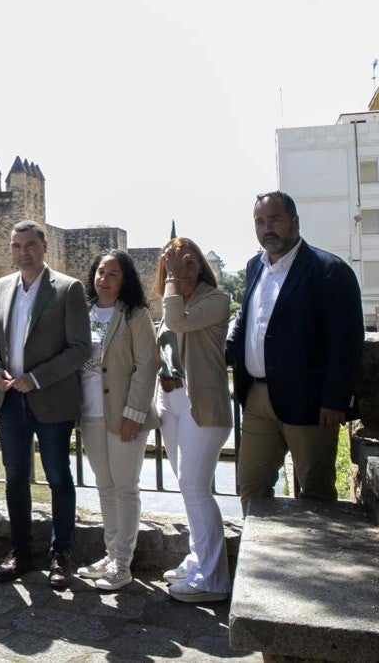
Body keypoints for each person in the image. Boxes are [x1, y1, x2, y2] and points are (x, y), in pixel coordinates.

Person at [227, 191, 364, 512]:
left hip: (310, 401)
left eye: (275, 219)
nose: (266, 228)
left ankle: (319, 561)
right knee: (250, 487)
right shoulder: (254, 267)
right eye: (260, 222)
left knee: (316, 494)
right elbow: (247, 320)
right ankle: (262, 561)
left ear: (295, 222)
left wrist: (335, 399)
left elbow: (347, 341)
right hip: (258, 398)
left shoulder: (329, 270)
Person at [0, 220, 90, 589]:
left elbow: (81, 348)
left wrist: (38, 377)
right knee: (15, 479)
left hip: (51, 399)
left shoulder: (68, 288)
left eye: (30, 245)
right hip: (10, 400)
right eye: (16, 246)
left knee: (59, 477)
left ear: (44, 245)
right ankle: (20, 551)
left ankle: (61, 553)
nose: (23, 252)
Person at [73, 250, 159, 591]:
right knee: (105, 487)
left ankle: (123, 564)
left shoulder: (134, 314)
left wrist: (134, 414)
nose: (103, 279)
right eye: (100, 272)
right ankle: (110, 555)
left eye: (112, 274)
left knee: (125, 487)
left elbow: (147, 366)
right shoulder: (83, 312)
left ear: (125, 280)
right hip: (91, 413)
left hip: (123, 414)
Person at [155, 237, 234, 603]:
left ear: (201, 266)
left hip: (201, 403)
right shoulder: (172, 301)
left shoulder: (216, 301)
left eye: (189, 262)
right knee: (187, 488)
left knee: (195, 486)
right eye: (174, 263)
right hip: (171, 402)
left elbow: (176, 322)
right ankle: (198, 559)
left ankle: (214, 579)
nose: (182, 268)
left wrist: (170, 278)